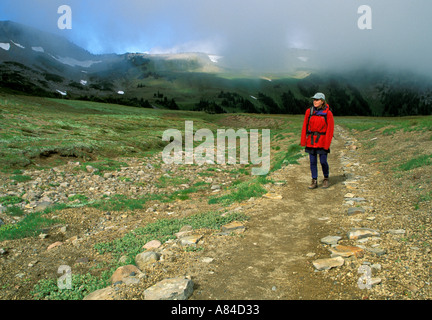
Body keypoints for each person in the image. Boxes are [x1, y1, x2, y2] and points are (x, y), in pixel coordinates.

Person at [300, 93, 334, 189]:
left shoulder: (328, 113)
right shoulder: (309, 112)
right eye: (314, 99)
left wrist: (327, 144)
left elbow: (330, 130)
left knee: (323, 161)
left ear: (322, 101)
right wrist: (303, 141)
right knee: (312, 161)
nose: (315, 101)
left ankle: (326, 178)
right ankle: (314, 180)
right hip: (311, 141)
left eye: (317, 100)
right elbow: (304, 126)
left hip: (322, 141)